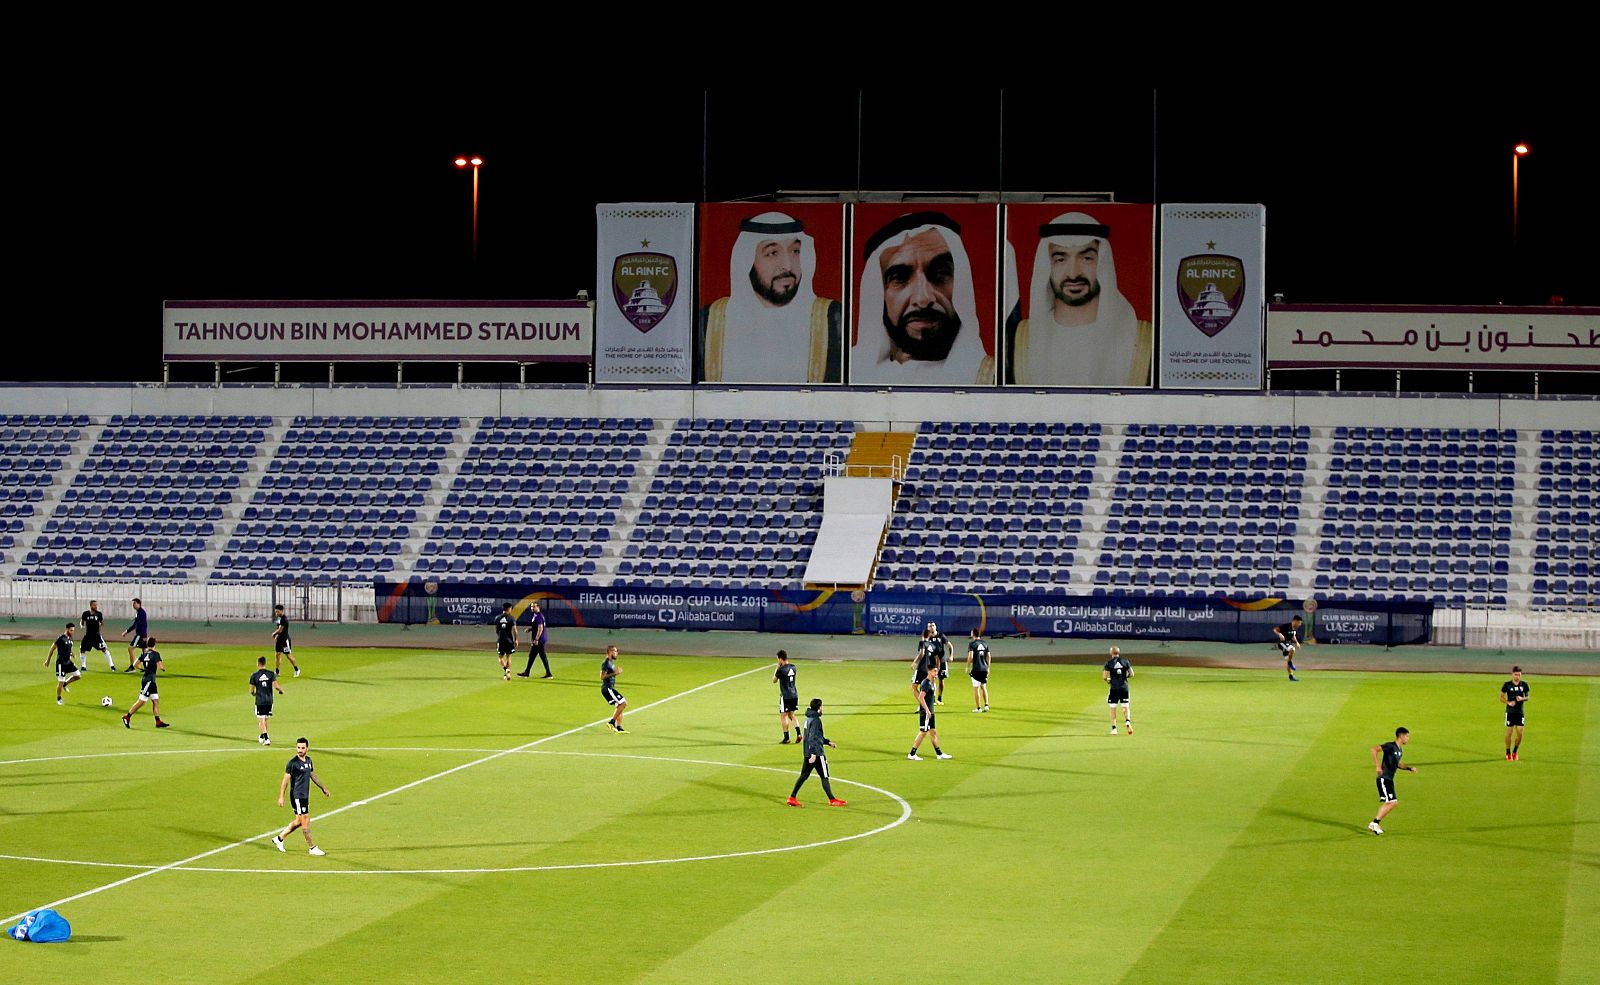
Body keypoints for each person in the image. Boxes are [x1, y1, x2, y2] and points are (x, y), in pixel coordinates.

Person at [1005, 211, 1153, 386]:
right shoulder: (1020, 340)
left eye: (1087, 258)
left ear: (1103, 264)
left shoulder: (1142, 340)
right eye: (1060, 259)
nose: (1073, 273)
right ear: (1046, 267)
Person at [699, 212, 842, 383]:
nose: (788, 265)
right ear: (747, 261)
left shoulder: (829, 318)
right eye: (773, 253)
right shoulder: (712, 320)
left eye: (795, 251)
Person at [853, 212, 994, 385]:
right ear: (878, 295)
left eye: (940, 274)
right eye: (900, 278)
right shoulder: (848, 376)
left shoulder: (990, 379)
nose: (923, 299)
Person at [273, 737, 329, 856]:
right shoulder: (292, 763)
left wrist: (323, 788)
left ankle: (279, 838)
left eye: (302, 748)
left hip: (304, 796)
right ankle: (312, 847)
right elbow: (285, 781)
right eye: (298, 748)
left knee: (299, 821)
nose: (300, 750)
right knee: (305, 821)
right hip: (297, 796)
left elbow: (312, 775)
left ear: (307, 749)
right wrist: (281, 796)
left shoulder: (309, 760)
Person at [787, 698, 846, 807]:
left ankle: (792, 797)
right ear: (819, 708)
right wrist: (814, 753)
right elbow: (813, 737)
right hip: (817, 753)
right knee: (824, 776)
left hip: (808, 752)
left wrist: (828, 742)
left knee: (803, 776)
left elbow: (815, 737)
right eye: (822, 706)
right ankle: (832, 800)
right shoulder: (816, 720)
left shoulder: (808, 719)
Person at [1367, 727, 1417, 835]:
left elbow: (1398, 764)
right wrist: (1377, 766)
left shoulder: (1399, 751)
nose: (1408, 739)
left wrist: (1409, 768)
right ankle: (1375, 823)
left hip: (1389, 780)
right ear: (1401, 736)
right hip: (1383, 778)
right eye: (1407, 736)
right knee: (1393, 802)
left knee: (1390, 802)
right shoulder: (1390, 746)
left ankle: (1375, 823)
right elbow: (1374, 749)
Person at [120, 636, 170, 729]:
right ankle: (127, 716)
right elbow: (160, 666)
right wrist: (162, 668)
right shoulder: (156, 654)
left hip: (150, 680)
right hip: (149, 681)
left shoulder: (144, 654)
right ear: (155, 644)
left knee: (155, 700)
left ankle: (158, 721)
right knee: (142, 701)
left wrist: (143, 669)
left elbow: (135, 664)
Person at [909, 662, 953, 761]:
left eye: (937, 671)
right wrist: (927, 710)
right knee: (923, 732)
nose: (936, 673)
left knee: (933, 732)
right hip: (926, 713)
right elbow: (921, 697)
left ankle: (939, 754)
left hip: (930, 712)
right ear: (929, 671)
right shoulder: (926, 683)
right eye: (934, 671)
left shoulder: (932, 682)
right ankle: (912, 754)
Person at [251, 655, 285, 746]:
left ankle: (266, 738)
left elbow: (251, 690)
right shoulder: (271, 674)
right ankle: (262, 736)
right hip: (269, 701)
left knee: (261, 720)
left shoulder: (254, 676)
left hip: (260, 701)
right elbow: (276, 686)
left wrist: (254, 693)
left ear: (258, 664)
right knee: (265, 719)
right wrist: (281, 690)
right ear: (265, 663)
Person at [45, 622, 80, 706]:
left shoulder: (70, 639)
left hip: (68, 662)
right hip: (61, 663)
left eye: (73, 630)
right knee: (60, 681)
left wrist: (72, 654)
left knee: (78, 676)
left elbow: (69, 648)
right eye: (71, 630)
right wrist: (48, 661)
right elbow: (52, 649)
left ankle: (65, 684)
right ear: (67, 629)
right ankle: (59, 699)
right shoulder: (61, 638)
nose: (72, 632)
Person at [1501, 666, 1530, 761]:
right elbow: (1501, 697)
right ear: (1512, 674)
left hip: (1520, 712)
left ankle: (1515, 751)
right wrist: (1508, 702)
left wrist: (1522, 698)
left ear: (1521, 675)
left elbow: (1528, 697)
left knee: (1520, 733)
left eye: (1519, 675)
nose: (1517, 676)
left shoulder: (1524, 685)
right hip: (1510, 712)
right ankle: (1508, 752)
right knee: (1509, 733)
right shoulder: (1507, 685)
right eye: (1515, 674)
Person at [517, 601, 552, 678]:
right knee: (538, 656)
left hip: (539, 640)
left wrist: (536, 639)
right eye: (531, 606)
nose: (532, 608)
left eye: (534, 606)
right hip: (540, 639)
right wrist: (530, 629)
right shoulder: (536, 615)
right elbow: (537, 627)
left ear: (538, 607)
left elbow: (540, 628)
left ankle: (527, 672)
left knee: (534, 656)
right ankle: (547, 673)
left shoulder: (538, 616)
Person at [1104, 646, 1133, 734]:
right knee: (1126, 706)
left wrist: (1110, 681)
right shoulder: (1125, 661)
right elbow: (1132, 674)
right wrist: (1124, 677)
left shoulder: (1108, 663)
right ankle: (1127, 721)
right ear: (1118, 652)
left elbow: (1105, 677)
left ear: (1111, 653)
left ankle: (1114, 729)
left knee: (1113, 708)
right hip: (1124, 687)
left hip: (1114, 688)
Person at [774, 650, 800, 743]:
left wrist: (777, 667)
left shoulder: (781, 669)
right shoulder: (794, 667)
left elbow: (774, 680)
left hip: (785, 696)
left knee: (783, 716)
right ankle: (799, 733)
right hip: (794, 694)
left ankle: (786, 738)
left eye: (777, 659)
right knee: (792, 715)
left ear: (780, 659)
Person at [80, 599, 114, 671]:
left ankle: (112, 666)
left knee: (104, 649)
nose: (96, 606)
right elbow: (82, 621)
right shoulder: (85, 614)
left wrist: (100, 625)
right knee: (82, 649)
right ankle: (83, 666)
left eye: (96, 605)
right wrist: (81, 626)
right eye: (94, 605)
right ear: (91, 605)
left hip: (96, 636)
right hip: (88, 636)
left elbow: (102, 623)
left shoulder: (99, 614)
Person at [601, 645, 627, 733]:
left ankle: (618, 727)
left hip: (610, 688)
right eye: (615, 651)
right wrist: (615, 673)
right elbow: (602, 677)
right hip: (607, 688)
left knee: (620, 706)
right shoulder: (606, 663)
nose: (617, 653)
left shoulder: (611, 662)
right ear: (610, 652)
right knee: (623, 703)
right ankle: (612, 722)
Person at [271, 604, 300, 678]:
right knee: (277, 655)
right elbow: (278, 628)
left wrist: (274, 634)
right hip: (279, 640)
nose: (276, 613)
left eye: (278, 612)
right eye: (276, 612)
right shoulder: (279, 619)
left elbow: (280, 630)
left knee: (288, 656)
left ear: (282, 611)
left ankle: (297, 669)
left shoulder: (284, 619)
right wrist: (277, 636)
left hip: (285, 640)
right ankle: (277, 672)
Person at [120, 597, 148, 672]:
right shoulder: (139, 612)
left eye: (134, 603)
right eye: (133, 603)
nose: (133, 605)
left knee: (130, 648)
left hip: (140, 635)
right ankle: (146, 668)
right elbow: (135, 624)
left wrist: (144, 635)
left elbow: (144, 624)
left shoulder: (141, 613)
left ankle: (132, 667)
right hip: (141, 634)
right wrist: (126, 631)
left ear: (139, 604)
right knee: (144, 650)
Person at [967, 627, 991, 712]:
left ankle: (978, 708)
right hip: (984, 668)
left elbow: (971, 656)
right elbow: (989, 656)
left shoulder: (972, 644)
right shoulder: (985, 643)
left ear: (973, 634)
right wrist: (988, 667)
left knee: (976, 688)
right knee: (983, 687)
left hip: (976, 669)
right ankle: (986, 705)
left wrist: (967, 666)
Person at [928, 621, 952, 705]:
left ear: (936, 627)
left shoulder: (941, 636)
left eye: (933, 625)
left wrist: (951, 655)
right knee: (932, 680)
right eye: (930, 626)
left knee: (941, 680)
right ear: (928, 628)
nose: (932, 627)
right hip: (932, 662)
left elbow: (950, 645)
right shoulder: (928, 638)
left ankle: (940, 697)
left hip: (942, 661)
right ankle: (932, 698)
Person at [1273, 615, 1304, 681]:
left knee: (1288, 658)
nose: (1300, 624)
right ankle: (1290, 663)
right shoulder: (1286, 626)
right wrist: (1280, 634)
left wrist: (1297, 642)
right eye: (1299, 623)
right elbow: (1275, 630)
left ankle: (1291, 676)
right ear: (1295, 621)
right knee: (1292, 649)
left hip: (1287, 643)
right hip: (1282, 643)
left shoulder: (1294, 629)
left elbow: (1293, 636)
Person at [492, 602, 517, 681]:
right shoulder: (512, 618)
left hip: (501, 640)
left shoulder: (497, 618)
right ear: (509, 609)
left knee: (500, 658)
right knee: (509, 657)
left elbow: (496, 630)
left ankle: (506, 671)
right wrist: (515, 639)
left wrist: (500, 635)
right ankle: (507, 671)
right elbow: (515, 630)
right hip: (509, 640)